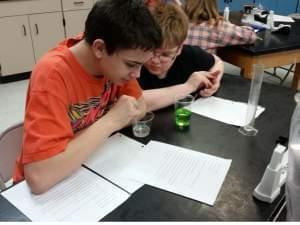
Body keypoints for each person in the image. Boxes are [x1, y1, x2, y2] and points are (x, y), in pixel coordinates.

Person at [13, 0, 162, 194]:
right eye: (131, 64)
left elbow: (138, 107)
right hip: (39, 196)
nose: (137, 74)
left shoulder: (113, 56)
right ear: (99, 48)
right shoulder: (52, 74)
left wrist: (74, 146)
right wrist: (110, 122)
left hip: (84, 168)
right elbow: (39, 178)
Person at [139, 3, 224, 111]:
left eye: (165, 55)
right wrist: (189, 86)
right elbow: (135, 102)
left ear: (179, 49)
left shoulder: (190, 55)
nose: (155, 60)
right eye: (151, 51)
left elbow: (217, 62)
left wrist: (214, 81)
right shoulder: (134, 62)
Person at [183, 0, 257, 54]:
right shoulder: (217, 27)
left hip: (178, 74)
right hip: (207, 74)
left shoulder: (177, 24)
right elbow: (251, 36)